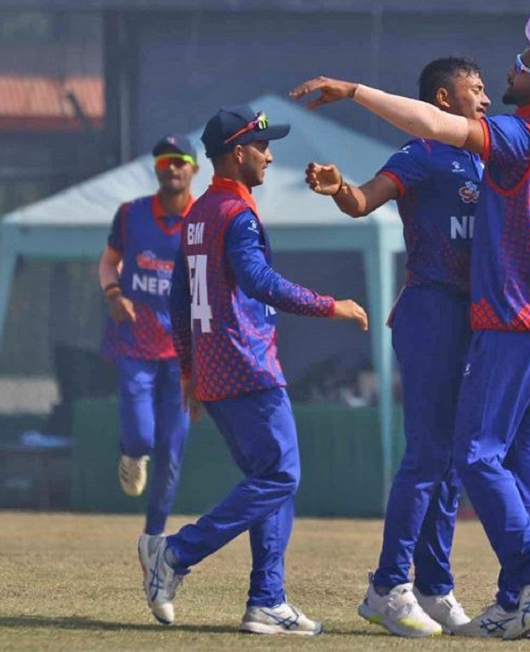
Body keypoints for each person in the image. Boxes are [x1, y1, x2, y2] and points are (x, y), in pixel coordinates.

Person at [291, 13, 530, 640]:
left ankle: (499, 583)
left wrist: (355, 90)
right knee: (453, 456)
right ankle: (412, 584)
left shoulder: (511, 142)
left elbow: (451, 127)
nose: (495, 87)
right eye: (480, 85)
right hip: (482, 315)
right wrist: (342, 194)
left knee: (476, 457)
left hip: (505, 317)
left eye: (516, 68)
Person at [138, 104, 369, 635]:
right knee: (282, 475)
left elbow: (178, 300)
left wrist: (191, 373)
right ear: (237, 153)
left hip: (218, 372)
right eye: (262, 147)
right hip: (247, 364)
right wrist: (329, 305)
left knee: (270, 479)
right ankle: (174, 553)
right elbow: (260, 280)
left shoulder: (197, 212)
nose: (269, 155)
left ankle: (267, 600)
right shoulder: (235, 214)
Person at [304, 57, 490, 638]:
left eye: (487, 88)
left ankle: (435, 588)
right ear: (442, 98)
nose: (485, 98)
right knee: (427, 455)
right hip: (430, 310)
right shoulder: (421, 154)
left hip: (473, 317)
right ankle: (387, 586)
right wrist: (339, 189)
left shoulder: (488, 156)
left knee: (455, 460)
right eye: (475, 88)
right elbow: (363, 202)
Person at [98, 134, 198, 538]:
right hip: (136, 345)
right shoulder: (131, 214)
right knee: (141, 438)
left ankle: (154, 538)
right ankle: (131, 454)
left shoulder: (206, 219)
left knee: (171, 452)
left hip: (184, 353)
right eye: (163, 161)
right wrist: (113, 293)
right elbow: (109, 262)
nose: (171, 167)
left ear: (194, 168)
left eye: (179, 160)